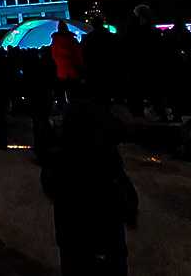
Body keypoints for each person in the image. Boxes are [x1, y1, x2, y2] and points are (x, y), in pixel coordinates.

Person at [41, 87, 137, 275]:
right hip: (102, 239)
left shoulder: (62, 158)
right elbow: (122, 190)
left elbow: (49, 183)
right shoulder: (105, 158)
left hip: (75, 240)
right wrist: (129, 206)